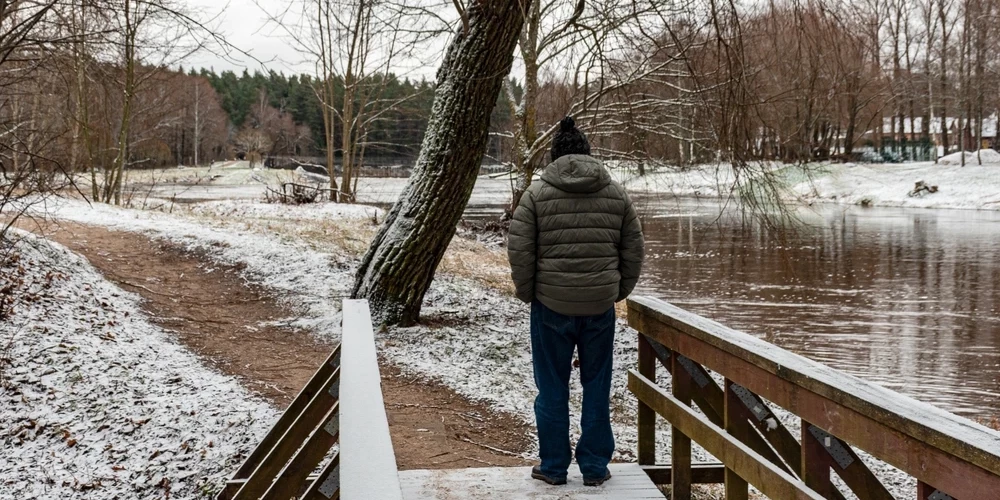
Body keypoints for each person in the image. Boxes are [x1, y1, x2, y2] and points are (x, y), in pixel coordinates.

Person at [507, 116, 644, 487]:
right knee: (597, 385)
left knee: (551, 387)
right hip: (599, 307)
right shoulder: (616, 194)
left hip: (551, 305)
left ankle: (553, 467)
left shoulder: (536, 194)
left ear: (554, 157)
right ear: (588, 154)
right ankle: (595, 468)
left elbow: (520, 251)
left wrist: (529, 292)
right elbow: (634, 251)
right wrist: (616, 292)